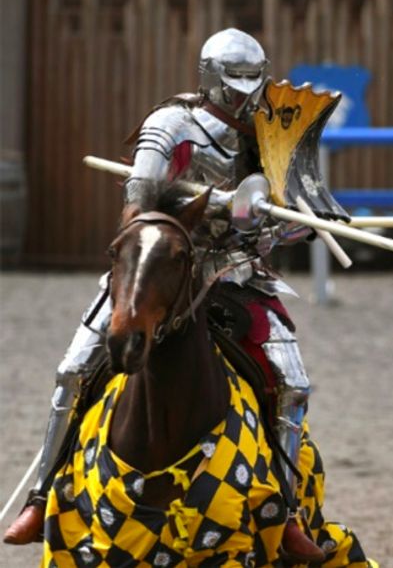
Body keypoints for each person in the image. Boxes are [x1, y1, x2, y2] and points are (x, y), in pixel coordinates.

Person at [4, 28, 344, 563]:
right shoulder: (170, 126)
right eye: (233, 82)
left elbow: (296, 222)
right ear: (209, 78)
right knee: (75, 368)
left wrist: (273, 223)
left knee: (293, 383)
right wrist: (221, 206)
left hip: (234, 272)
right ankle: (43, 495)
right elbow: (139, 208)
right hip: (158, 264)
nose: (242, 94)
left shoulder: (273, 131)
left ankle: (286, 513)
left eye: (252, 82)